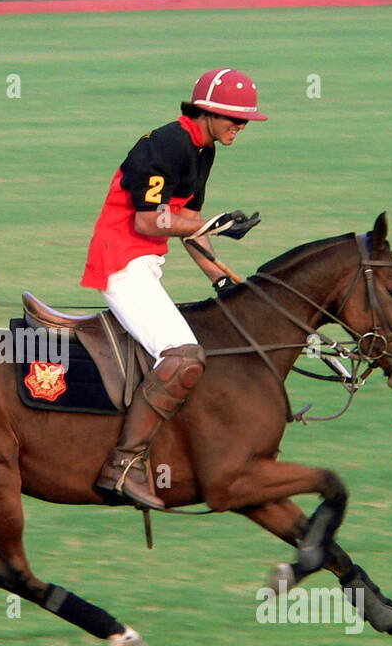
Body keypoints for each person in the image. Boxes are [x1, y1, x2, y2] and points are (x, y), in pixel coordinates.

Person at [81, 68, 267, 509]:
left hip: (144, 265)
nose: (239, 127)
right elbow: (149, 219)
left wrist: (220, 277)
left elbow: (185, 225)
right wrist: (212, 223)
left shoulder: (203, 151)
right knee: (184, 355)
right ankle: (123, 466)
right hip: (119, 261)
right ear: (205, 112)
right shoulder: (169, 144)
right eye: (232, 119)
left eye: (244, 121)